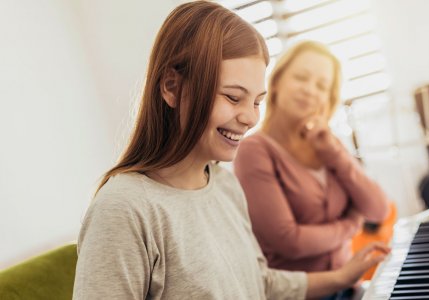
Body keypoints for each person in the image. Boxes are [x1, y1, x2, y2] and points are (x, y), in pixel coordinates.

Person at [72, 2, 389, 299]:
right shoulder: (124, 209)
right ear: (171, 87)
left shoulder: (223, 184)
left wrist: (342, 277)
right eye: (233, 97)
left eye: (256, 102)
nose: (250, 118)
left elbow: (259, 281)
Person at [233, 41, 390, 281]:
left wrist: (334, 154)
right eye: (301, 78)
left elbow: (378, 209)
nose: (310, 90)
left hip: (349, 288)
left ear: (329, 98)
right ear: (276, 82)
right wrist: (350, 225)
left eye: (321, 85)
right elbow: (290, 241)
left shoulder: (329, 144)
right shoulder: (253, 151)